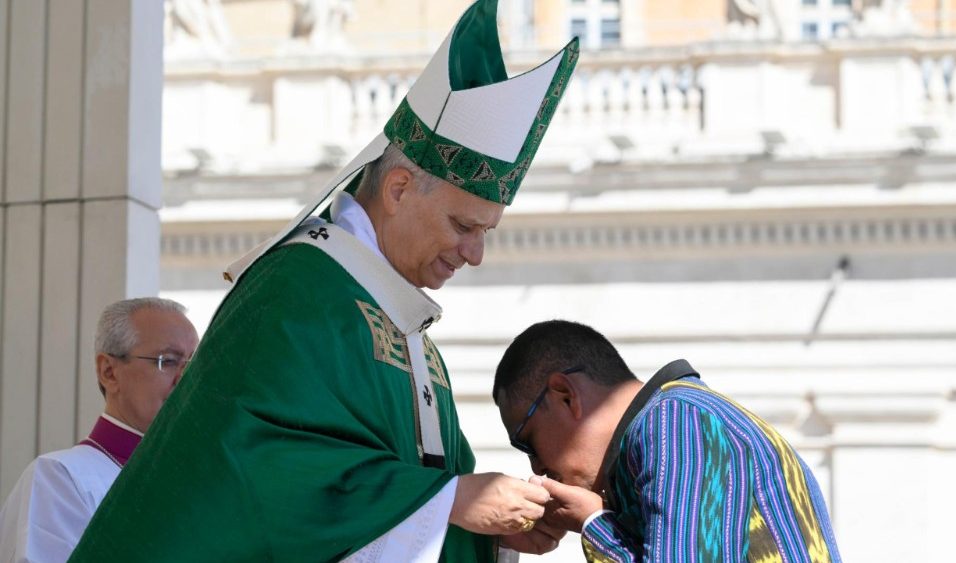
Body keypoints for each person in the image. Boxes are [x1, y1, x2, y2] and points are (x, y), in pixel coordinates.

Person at [70, 1, 578, 561]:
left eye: (486, 232)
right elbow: (256, 476)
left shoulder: (409, 331)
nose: (476, 254)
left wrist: (488, 528)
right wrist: (451, 502)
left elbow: (413, 494)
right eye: (463, 226)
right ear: (400, 188)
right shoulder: (295, 292)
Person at [493, 320, 843, 562]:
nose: (537, 468)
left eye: (528, 442)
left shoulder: (677, 422)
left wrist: (593, 523)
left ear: (564, 395)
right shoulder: (674, 422)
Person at [0, 297, 198, 562]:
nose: (186, 379)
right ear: (109, 372)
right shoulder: (60, 478)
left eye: (194, 365)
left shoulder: (197, 478)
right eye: (168, 361)